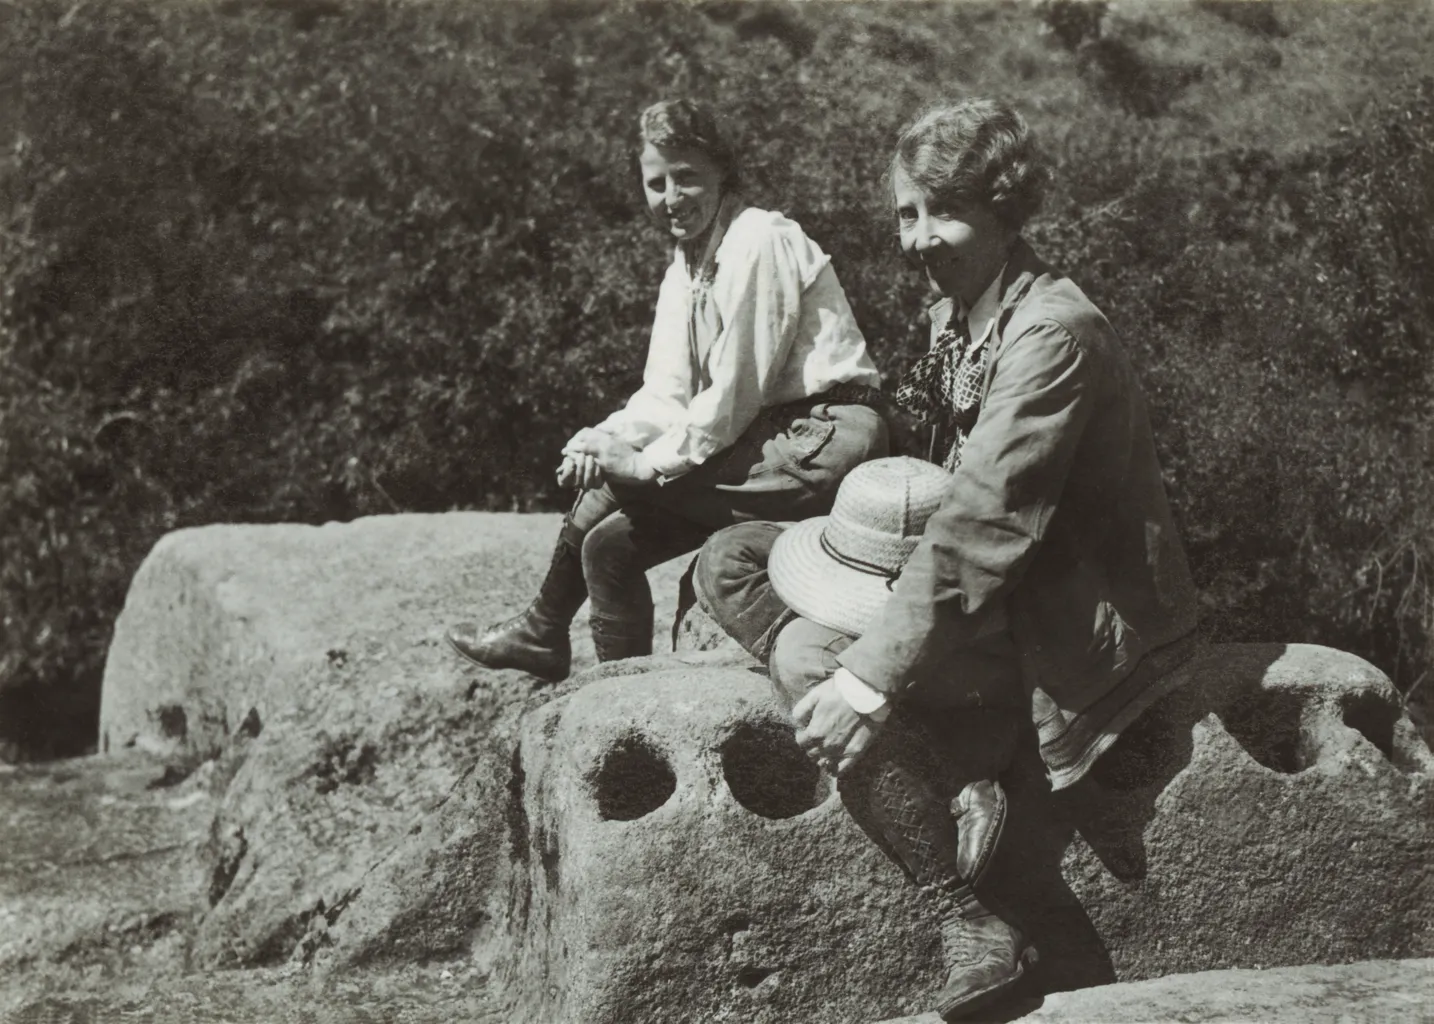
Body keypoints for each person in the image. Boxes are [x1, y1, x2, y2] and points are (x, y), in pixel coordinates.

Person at [693, 99, 1201, 1020]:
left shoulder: (1051, 335)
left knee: (817, 662)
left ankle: (962, 910)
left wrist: (868, 683)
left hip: (1052, 611)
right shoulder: (960, 309)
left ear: (1009, 209)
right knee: (730, 560)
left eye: (943, 212)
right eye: (905, 213)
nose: (919, 238)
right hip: (973, 580)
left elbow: (985, 520)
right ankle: (944, 765)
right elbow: (930, 486)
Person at [446, 99, 888, 681]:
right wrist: (600, 440)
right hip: (764, 442)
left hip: (823, 438)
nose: (672, 198)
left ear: (723, 174)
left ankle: (542, 627)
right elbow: (666, 393)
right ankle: (605, 686)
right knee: (609, 548)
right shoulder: (685, 269)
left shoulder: (759, 239)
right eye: (657, 183)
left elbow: (735, 390)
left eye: (688, 178)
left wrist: (642, 465)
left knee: (622, 483)